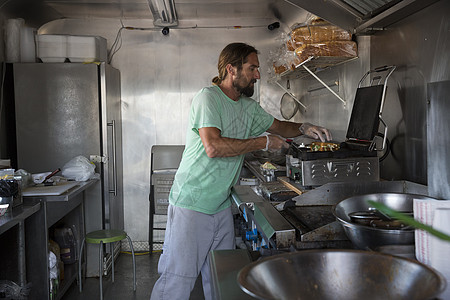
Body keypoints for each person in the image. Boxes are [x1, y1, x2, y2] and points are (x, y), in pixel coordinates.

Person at [150, 42, 331, 300]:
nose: (257, 75)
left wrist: (304, 127)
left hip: (221, 205)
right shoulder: (208, 98)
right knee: (177, 282)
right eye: (252, 68)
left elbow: (279, 126)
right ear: (231, 69)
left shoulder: (247, 107)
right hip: (192, 204)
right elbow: (213, 146)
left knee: (221, 279)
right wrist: (262, 142)